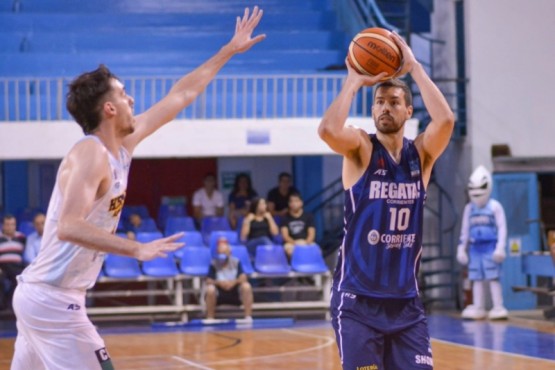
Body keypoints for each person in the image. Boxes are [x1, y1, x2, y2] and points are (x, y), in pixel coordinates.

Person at [10, 7, 265, 369]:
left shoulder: (123, 147)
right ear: (110, 109)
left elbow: (181, 95)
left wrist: (228, 50)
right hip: (53, 299)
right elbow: (69, 225)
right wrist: (136, 249)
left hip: (46, 295)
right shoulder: (90, 153)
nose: (132, 100)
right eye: (125, 94)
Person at [318, 31, 455, 369]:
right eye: (379, 102)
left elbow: (447, 120)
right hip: (357, 304)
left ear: (408, 110)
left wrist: (415, 68)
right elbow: (327, 131)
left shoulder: (420, 154)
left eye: (394, 102)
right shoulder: (361, 149)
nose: (385, 108)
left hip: (406, 305)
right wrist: (352, 81)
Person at [457, 165, 508, 320]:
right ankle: (478, 306)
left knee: (493, 277)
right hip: (474, 249)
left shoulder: (495, 207)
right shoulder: (469, 209)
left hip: (490, 248)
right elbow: (464, 231)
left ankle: (498, 306)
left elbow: (502, 228)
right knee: (476, 278)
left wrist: (500, 248)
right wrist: (461, 249)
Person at [205, 236, 253, 322]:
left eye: (225, 250)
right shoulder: (213, 263)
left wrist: (233, 282)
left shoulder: (236, 262)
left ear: (229, 252)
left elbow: (243, 278)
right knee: (210, 289)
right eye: (221, 250)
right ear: (217, 251)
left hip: (234, 291)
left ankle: (248, 317)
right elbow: (208, 280)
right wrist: (219, 283)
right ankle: (210, 318)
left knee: (246, 286)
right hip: (219, 292)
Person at [0, 215, 26, 310]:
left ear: (15, 225)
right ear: (3, 225)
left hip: (17, 266)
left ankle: (12, 306)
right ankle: (2, 307)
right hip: (2, 267)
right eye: (7, 224)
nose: (10, 227)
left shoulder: (21, 237)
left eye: (12, 224)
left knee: (20, 279)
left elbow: (26, 254)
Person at [280, 192, 316, 259]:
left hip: (306, 242)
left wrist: (305, 243)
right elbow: (285, 236)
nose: (294, 204)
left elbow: (311, 234)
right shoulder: (285, 218)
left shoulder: (308, 216)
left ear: (301, 203)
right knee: (290, 251)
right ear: (289, 204)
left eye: (296, 201)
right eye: (291, 201)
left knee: (318, 251)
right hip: (291, 243)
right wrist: (296, 243)